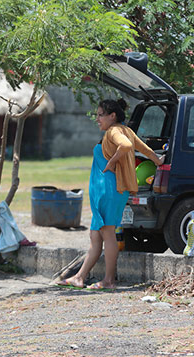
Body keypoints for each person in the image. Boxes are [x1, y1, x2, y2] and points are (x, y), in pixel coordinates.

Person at [57, 99, 164, 289]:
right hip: (109, 191)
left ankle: (109, 280)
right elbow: (144, 149)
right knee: (96, 236)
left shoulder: (115, 131)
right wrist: (158, 160)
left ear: (112, 116)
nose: (97, 119)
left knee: (108, 234)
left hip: (108, 190)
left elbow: (125, 146)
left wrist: (113, 162)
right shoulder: (126, 130)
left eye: (100, 115)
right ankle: (79, 277)